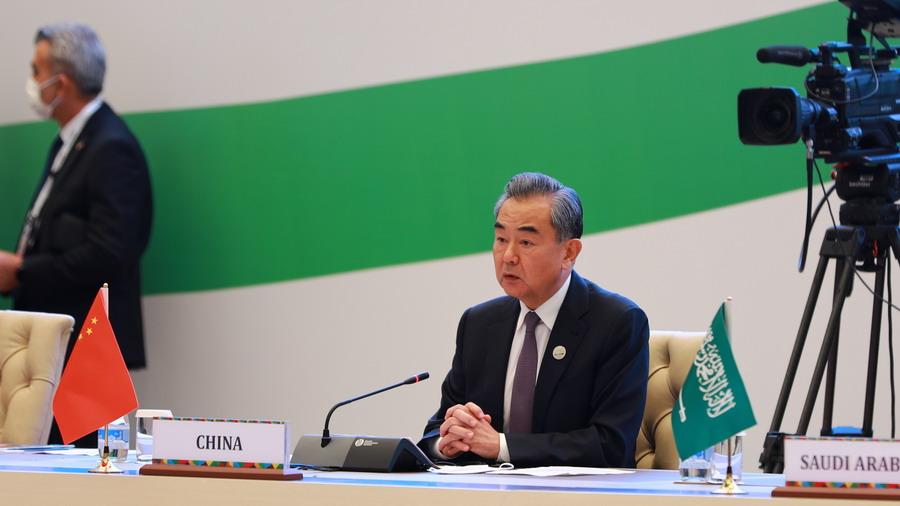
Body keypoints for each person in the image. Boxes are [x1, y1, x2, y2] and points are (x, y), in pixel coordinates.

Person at [418, 172, 649, 468]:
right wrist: (447, 442)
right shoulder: (479, 323)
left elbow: (611, 444)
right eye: (501, 239)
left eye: (526, 242)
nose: (508, 256)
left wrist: (501, 446)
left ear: (569, 252)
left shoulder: (617, 322)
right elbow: (437, 428)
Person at [0, 23, 152, 371]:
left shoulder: (111, 147)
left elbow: (108, 254)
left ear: (61, 84)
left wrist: (23, 270)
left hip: (85, 344)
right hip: (56, 339)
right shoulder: (71, 140)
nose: (32, 80)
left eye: (36, 70)